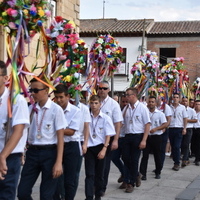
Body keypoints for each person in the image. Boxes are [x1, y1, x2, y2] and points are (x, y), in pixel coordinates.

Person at [17, 78, 66, 200]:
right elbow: (23, 132)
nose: (32, 93)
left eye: (36, 90)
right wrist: (21, 152)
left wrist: (59, 162)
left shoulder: (56, 110)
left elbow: (60, 138)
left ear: (46, 90)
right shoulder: (30, 109)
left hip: (50, 153)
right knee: (22, 192)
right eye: (31, 90)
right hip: (32, 152)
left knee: (46, 195)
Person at [0, 60, 29, 200]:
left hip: (9, 156)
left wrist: (2, 156)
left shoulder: (16, 100)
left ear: (5, 78)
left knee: (6, 194)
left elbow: (18, 131)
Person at [53, 84, 86, 200]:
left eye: (61, 97)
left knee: (70, 179)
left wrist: (55, 129)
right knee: (55, 178)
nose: (59, 100)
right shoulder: (53, 109)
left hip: (71, 146)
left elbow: (71, 131)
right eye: (56, 97)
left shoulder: (75, 111)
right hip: (56, 145)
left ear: (67, 96)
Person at [84, 95, 115, 200]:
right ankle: (88, 196)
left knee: (100, 174)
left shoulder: (105, 118)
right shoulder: (86, 117)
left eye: (96, 103)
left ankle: (98, 195)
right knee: (89, 174)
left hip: (101, 147)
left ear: (100, 104)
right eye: (92, 103)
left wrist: (104, 148)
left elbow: (108, 135)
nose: (94, 105)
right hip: (89, 148)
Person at [122, 87, 151, 193]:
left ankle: (131, 183)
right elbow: (122, 122)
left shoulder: (142, 108)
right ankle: (136, 174)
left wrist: (144, 140)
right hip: (127, 136)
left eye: (128, 95)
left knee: (134, 160)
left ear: (133, 95)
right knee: (125, 157)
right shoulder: (126, 108)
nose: (126, 97)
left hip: (138, 136)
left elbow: (147, 124)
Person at [97, 81, 123, 195]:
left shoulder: (113, 104)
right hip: (96, 137)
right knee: (94, 163)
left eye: (104, 88)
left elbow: (118, 123)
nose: (102, 90)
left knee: (105, 164)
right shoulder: (94, 102)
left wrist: (116, 140)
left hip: (109, 138)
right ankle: (95, 184)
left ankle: (102, 187)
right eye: (100, 88)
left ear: (108, 90)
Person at [140, 96, 167, 180]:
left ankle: (158, 171)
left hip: (156, 137)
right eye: (150, 102)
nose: (151, 103)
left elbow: (165, 124)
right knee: (145, 156)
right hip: (147, 137)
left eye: (152, 102)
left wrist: (156, 129)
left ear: (155, 103)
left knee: (157, 155)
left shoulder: (160, 114)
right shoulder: (144, 112)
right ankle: (142, 173)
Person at [111, 95, 130, 189]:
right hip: (118, 137)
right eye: (123, 102)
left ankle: (126, 180)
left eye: (126, 101)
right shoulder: (118, 109)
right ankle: (124, 172)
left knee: (126, 159)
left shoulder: (131, 110)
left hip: (127, 137)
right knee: (114, 157)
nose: (125, 103)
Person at [168, 93, 188, 171]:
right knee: (173, 146)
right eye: (174, 97)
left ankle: (177, 163)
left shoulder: (182, 108)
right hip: (171, 128)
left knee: (177, 146)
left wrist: (184, 128)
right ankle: (175, 159)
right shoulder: (169, 107)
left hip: (179, 128)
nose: (175, 99)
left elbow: (185, 118)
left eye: (177, 97)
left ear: (179, 99)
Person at [181, 97, 197, 167]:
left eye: (186, 101)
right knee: (181, 144)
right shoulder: (180, 109)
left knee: (186, 144)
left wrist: (187, 120)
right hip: (181, 128)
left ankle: (185, 159)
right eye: (183, 101)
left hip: (189, 128)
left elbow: (195, 120)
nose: (184, 102)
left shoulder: (191, 110)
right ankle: (185, 157)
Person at [157, 98, 172, 168]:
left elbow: (168, 119)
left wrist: (164, 127)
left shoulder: (166, 107)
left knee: (162, 149)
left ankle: (160, 166)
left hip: (163, 130)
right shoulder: (152, 106)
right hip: (154, 131)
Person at [192, 100, 200, 166]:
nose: (197, 106)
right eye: (196, 104)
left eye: (199, 104)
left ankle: (197, 159)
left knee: (198, 144)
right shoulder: (192, 111)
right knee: (193, 143)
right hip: (192, 128)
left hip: (199, 129)